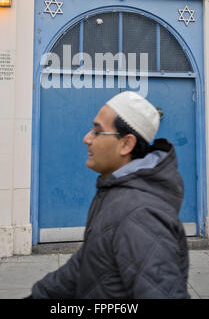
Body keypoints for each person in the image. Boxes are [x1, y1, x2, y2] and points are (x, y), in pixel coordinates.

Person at [27, 91, 190, 299]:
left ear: (126, 144)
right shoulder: (115, 194)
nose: (86, 139)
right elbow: (86, 265)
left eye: (97, 131)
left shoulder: (141, 215)